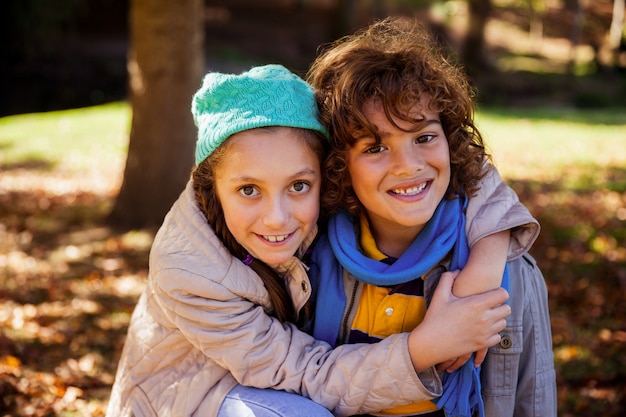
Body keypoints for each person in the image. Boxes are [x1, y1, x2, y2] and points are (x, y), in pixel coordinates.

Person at [105, 64, 512, 417]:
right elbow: (305, 374)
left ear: (330, 172)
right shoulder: (190, 270)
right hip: (193, 400)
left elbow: (457, 164)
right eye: (249, 190)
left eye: (298, 185)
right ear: (212, 188)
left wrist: (483, 269)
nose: (278, 218)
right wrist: (425, 346)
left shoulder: (332, 194)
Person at [306, 17, 557, 417]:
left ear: (451, 142)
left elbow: (533, 398)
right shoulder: (309, 264)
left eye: (424, 137)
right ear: (339, 164)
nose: (408, 166)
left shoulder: (512, 274)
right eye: (375, 147)